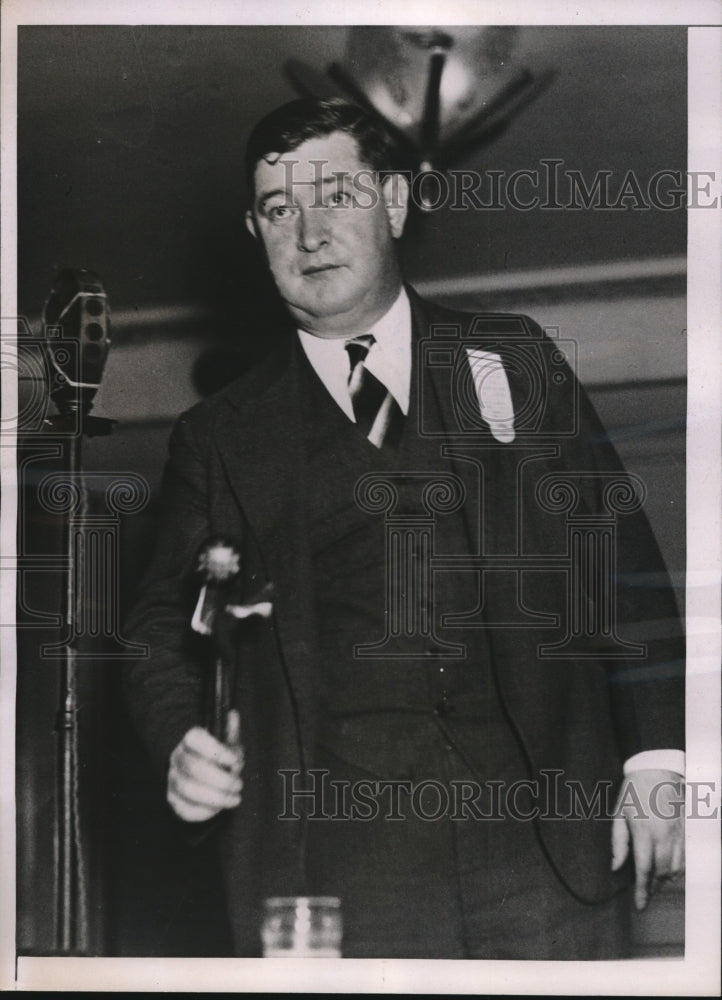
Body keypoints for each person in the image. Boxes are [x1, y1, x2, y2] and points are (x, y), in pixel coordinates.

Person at [123, 98, 685, 959]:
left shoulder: (514, 360)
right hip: (344, 872)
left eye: (335, 197)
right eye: (280, 211)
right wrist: (180, 743)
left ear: (393, 201)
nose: (308, 234)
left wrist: (656, 760)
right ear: (255, 229)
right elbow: (158, 627)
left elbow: (618, 563)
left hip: (546, 856)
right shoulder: (221, 435)